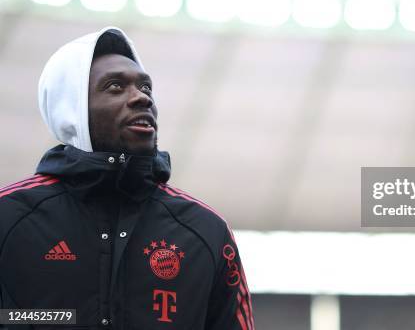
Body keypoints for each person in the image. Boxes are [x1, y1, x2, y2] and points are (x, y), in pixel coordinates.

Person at [0, 27, 254, 329]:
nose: (141, 99)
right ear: (71, 110)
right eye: (115, 87)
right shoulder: (9, 216)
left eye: (145, 88)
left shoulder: (207, 231)